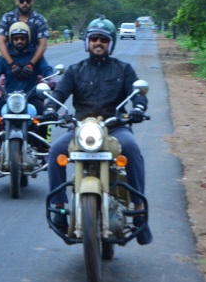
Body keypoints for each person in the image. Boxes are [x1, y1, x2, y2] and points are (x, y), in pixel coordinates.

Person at [42, 17, 152, 245]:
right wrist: (51, 107)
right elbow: (59, 93)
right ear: (88, 42)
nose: (98, 43)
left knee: (131, 148)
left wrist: (138, 108)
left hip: (114, 128)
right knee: (55, 151)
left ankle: (139, 212)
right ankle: (59, 207)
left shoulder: (123, 69)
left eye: (103, 39)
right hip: (82, 129)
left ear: (110, 43)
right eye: (94, 39)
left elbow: (138, 94)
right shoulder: (75, 70)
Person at [0, 22, 54, 161]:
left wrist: (51, 80)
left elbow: (46, 69)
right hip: (9, 98)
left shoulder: (35, 56)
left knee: (44, 113)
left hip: (31, 97)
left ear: (28, 39)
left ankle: (44, 148)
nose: (19, 41)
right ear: (11, 40)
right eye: (16, 38)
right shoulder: (5, 58)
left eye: (22, 38)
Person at [0, 0, 50, 79]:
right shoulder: (7, 17)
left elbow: (43, 44)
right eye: (21, 1)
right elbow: (1, 42)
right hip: (10, 59)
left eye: (28, 1)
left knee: (45, 81)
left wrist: (31, 64)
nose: (25, 3)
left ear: (32, 1)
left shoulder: (40, 19)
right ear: (16, 1)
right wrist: (12, 64)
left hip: (33, 60)